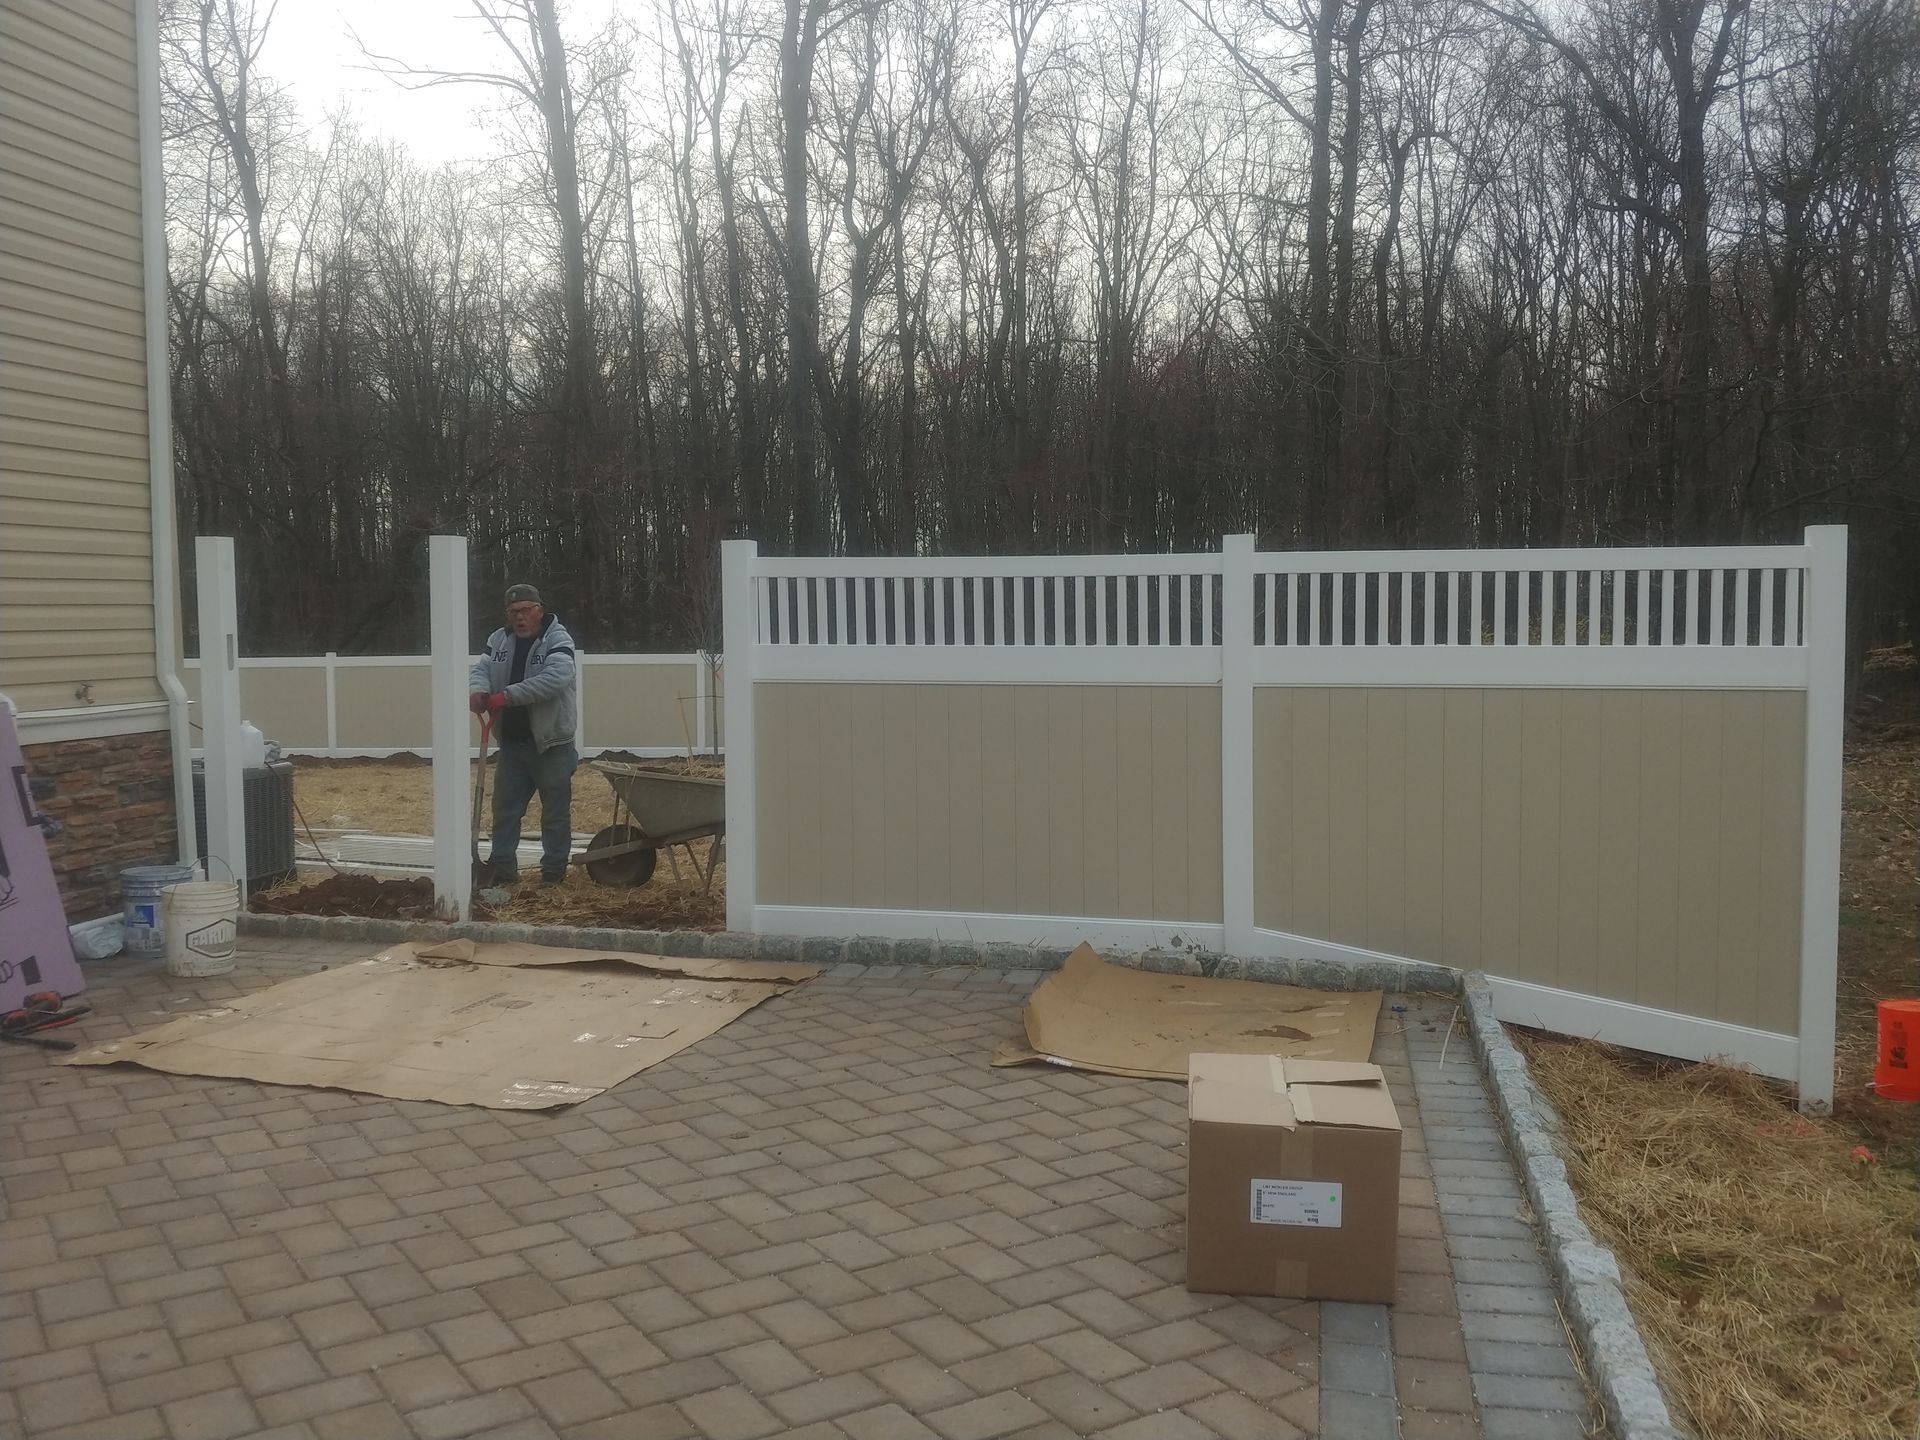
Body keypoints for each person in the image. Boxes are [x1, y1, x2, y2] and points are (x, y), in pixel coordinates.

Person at [468, 584, 578, 884]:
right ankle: (502, 872)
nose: (519, 618)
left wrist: (507, 696)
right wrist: (478, 691)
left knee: (554, 814)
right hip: (512, 746)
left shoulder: (557, 639)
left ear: (539, 611)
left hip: (551, 745)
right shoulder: (499, 639)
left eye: (526, 611)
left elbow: (555, 679)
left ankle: (553, 874)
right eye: (514, 612)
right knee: (504, 812)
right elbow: (481, 669)